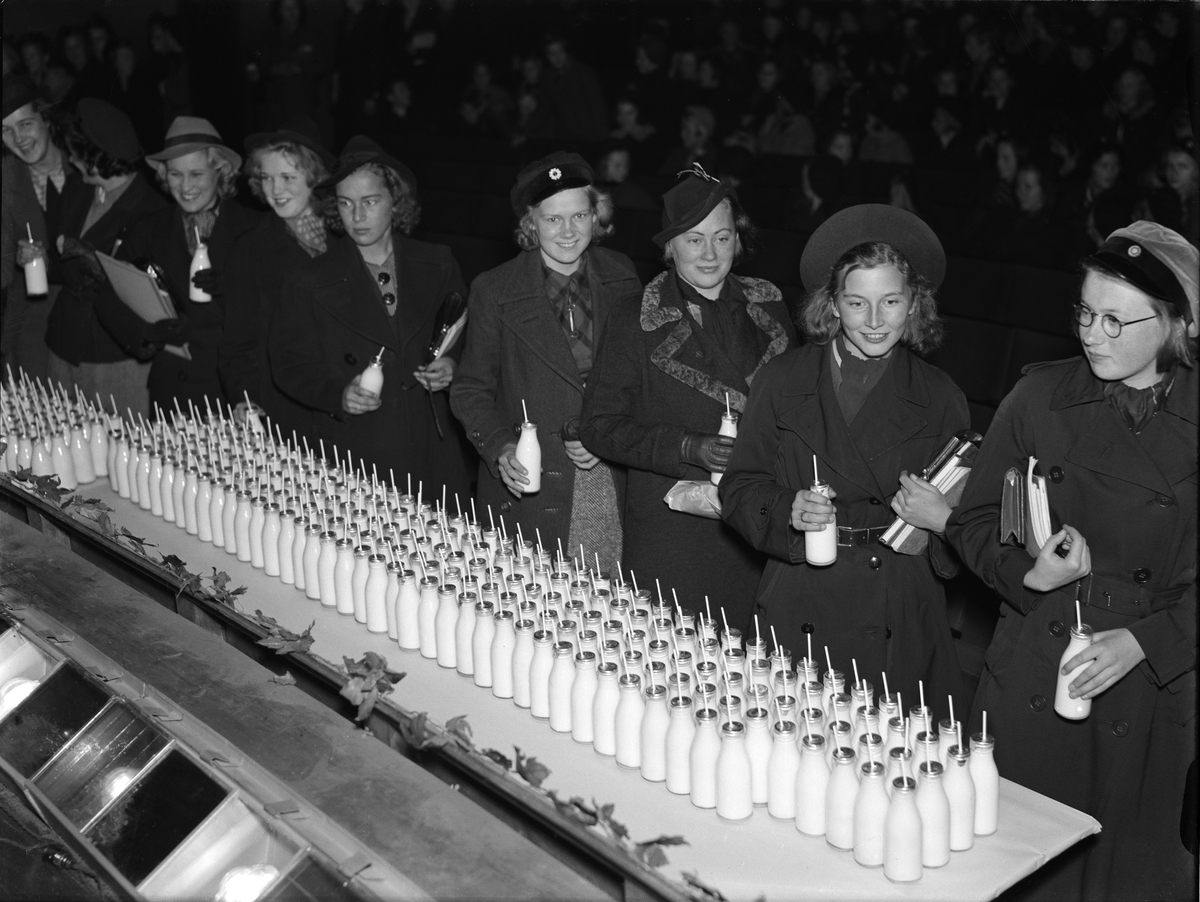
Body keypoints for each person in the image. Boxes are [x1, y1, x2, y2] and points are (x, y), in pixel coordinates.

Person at [946, 221, 1197, 901]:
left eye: (1117, 320)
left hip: (1157, 681)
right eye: (1086, 312)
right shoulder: (1039, 396)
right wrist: (1029, 575)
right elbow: (971, 523)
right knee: (1017, 869)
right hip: (1040, 650)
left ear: (1174, 323)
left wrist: (1147, 642)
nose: (1093, 334)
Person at [719, 204, 968, 710]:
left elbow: (966, 520)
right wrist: (786, 509)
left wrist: (943, 525)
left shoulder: (942, 396)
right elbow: (739, 487)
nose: (874, 321)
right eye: (857, 303)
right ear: (832, 304)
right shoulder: (781, 379)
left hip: (897, 600)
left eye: (891, 301)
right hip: (801, 588)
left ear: (914, 303)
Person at [580, 166, 796, 622]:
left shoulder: (770, 305)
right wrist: (686, 446)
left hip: (756, 530)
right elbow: (598, 427)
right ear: (669, 247)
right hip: (674, 538)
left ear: (738, 240)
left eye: (721, 237)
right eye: (694, 239)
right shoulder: (634, 318)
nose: (710, 253)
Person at [451, 152, 641, 569]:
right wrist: (500, 447)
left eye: (579, 216)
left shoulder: (623, 277)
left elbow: (639, 380)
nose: (568, 231)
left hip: (608, 476)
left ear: (597, 216)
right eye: (553, 219)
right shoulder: (495, 289)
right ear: (530, 223)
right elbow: (470, 390)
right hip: (531, 482)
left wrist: (613, 434)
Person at [270, 136, 472, 497]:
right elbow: (288, 364)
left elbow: (466, 334)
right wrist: (337, 394)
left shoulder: (438, 262)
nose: (357, 216)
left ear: (395, 202)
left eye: (370, 202)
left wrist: (453, 365)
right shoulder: (308, 280)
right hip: (357, 450)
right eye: (346, 204)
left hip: (432, 445)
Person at [92, 116, 260, 415]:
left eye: (196, 174)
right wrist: (148, 331)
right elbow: (108, 296)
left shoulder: (253, 229)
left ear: (220, 171)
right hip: (174, 391)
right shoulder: (147, 228)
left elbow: (279, 310)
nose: (185, 187)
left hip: (236, 394)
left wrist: (236, 286)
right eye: (174, 175)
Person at [44, 98, 168, 419]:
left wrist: (99, 266)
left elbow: (148, 295)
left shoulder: (151, 209)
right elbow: (59, 268)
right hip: (64, 344)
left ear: (97, 156)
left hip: (114, 356)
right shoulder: (77, 188)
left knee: (122, 453)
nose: (70, 158)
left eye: (75, 151)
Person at [220, 118, 333, 442]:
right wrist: (242, 398)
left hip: (344, 402)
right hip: (283, 406)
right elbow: (237, 341)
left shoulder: (345, 235)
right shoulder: (249, 249)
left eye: (287, 177)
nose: (275, 190)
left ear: (314, 177)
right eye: (266, 178)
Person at [1, 75, 80, 383]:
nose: (18, 138)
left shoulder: (85, 162)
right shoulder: (8, 178)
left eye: (25, 125)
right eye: (6, 130)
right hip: (36, 318)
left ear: (46, 118)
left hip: (93, 319)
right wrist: (15, 258)